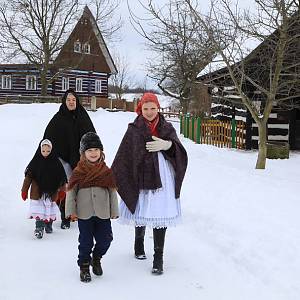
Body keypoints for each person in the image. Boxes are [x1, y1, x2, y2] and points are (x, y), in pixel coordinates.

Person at [111, 92, 188, 275]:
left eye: (153, 108)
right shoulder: (134, 129)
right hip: (140, 175)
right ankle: (139, 242)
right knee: (141, 207)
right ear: (140, 109)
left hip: (163, 177)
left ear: (158, 108)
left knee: (159, 211)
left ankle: (158, 258)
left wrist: (167, 146)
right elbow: (124, 155)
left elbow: (180, 152)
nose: (150, 112)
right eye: (146, 108)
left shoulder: (167, 127)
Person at [65, 132, 119, 283]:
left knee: (106, 239)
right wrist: (71, 212)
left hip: (103, 213)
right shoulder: (78, 172)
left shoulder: (106, 172)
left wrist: (114, 211)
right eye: (89, 150)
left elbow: (112, 192)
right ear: (83, 153)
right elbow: (71, 193)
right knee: (85, 242)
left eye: (96, 149)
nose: (93, 153)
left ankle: (97, 257)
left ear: (101, 151)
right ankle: (84, 266)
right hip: (84, 213)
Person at [43, 89, 96, 229]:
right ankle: (64, 216)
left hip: (80, 159)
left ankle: (80, 213)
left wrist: (92, 153)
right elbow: (48, 137)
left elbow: (91, 136)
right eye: (68, 100)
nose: (71, 102)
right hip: (63, 159)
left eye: (73, 99)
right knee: (64, 188)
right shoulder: (58, 118)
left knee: (81, 188)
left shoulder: (83, 116)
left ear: (77, 101)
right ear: (64, 101)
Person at [21, 139, 67, 239]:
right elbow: (28, 177)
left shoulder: (56, 162)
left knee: (49, 209)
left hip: (51, 192)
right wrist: (24, 190)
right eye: (43, 151)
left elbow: (61, 178)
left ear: (52, 150)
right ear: (40, 150)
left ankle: (48, 224)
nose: (45, 153)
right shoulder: (35, 162)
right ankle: (39, 229)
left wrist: (63, 190)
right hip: (38, 193)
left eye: (48, 151)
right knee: (39, 211)